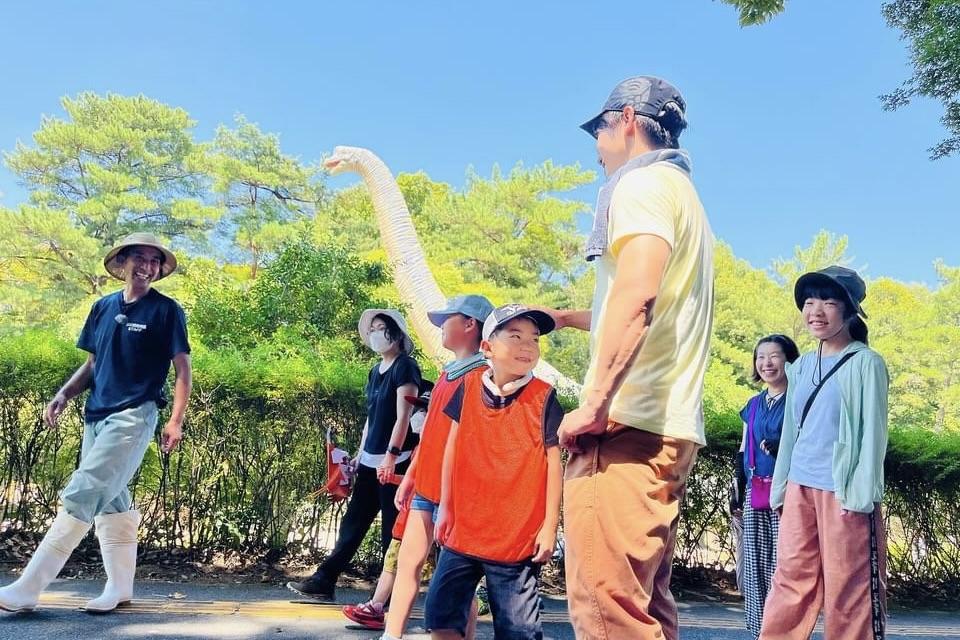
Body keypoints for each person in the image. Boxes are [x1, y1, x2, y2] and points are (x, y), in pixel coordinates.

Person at [546, 76, 714, 639]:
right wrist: (567, 318)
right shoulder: (682, 193)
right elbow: (653, 304)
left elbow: (638, 295)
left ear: (623, 119)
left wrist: (594, 405)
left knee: (605, 608)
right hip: (666, 426)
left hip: (625, 424)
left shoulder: (638, 187)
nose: (595, 145)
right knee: (646, 606)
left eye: (597, 130)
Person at [0, 232, 191, 615]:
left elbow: (182, 368)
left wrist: (175, 420)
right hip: (97, 415)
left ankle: (28, 587)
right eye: (139, 258)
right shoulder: (102, 308)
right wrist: (63, 394)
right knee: (113, 503)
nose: (147, 267)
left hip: (134, 415)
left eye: (155, 261)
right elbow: (91, 364)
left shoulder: (166, 310)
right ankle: (120, 587)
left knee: (83, 492)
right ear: (122, 263)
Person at [760, 266, 889, 640]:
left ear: (849, 311)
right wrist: (781, 489)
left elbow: (873, 437)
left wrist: (862, 498)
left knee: (848, 590)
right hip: (801, 487)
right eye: (810, 301)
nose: (815, 310)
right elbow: (791, 433)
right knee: (789, 582)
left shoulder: (866, 363)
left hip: (844, 494)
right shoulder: (800, 365)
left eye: (829, 302)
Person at [425, 304, 564, 640]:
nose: (527, 346)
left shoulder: (544, 397)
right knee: (440, 615)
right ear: (487, 347)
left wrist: (549, 527)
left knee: (518, 631)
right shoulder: (469, 386)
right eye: (515, 336)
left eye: (533, 339)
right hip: (464, 531)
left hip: (515, 540)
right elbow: (452, 450)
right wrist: (446, 507)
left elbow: (554, 464)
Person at [379, 295, 493, 640]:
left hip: (457, 492)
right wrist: (410, 477)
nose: (442, 326)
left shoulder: (483, 376)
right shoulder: (447, 374)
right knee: (407, 564)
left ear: (469, 325)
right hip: (427, 486)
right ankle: (391, 635)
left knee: (458, 577)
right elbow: (430, 435)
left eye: (448, 319)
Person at [288, 309, 422, 602]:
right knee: (353, 525)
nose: (375, 334)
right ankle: (324, 581)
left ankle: (389, 598)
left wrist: (391, 455)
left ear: (396, 333)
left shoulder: (405, 367)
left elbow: (404, 416)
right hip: (371, 461)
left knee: (392, 531)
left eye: (381, 328)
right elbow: (371, 418)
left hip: (395, 462)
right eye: (371, 329)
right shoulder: (375, 371)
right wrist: (361, 455)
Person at [738, 334, 799, 638]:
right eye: (760, 357)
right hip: (755, 490)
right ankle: (758, 628)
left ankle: (784, 628)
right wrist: (737, 493)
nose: (766, 363)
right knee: (755, 563)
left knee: (784, 564)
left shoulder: (799, 400)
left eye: (774, 356)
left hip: (789, 493)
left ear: (789, 360)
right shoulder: (752, 405)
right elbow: (743, 449)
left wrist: (781, 448)